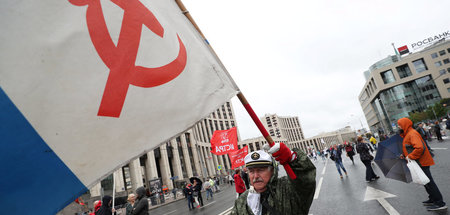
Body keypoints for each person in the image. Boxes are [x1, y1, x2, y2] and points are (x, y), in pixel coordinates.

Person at [230, 142, 316, 215]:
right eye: (251, 171)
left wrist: (293, 158)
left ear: (272, 171)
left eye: (261, 170)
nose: (255, 176)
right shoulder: (242, 200)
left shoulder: (287, 188)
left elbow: (305, 181)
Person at [398, 118, 447, 211]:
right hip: (418, 162)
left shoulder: (412, 134)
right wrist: (404, 155)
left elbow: (419, 148)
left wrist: (410, 157)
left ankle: (440, 203)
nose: (398, 127)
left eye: (399, 125)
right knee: (425, 181)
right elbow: (410, 148)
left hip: (421, 162)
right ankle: (432, 199)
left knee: (429, 182)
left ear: (404, 125)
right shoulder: (408, 134)